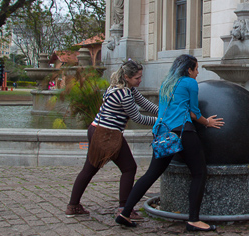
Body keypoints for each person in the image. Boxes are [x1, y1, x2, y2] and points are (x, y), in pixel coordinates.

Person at [115, 54, 224, 232]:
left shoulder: (167, 82)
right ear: (188, 69)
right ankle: (194, 220)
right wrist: (208, 122)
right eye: (196, 69)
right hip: (182, 132)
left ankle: (125, 212)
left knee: (151, 173)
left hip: (162, 132)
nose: (197, 73)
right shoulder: (190, 83)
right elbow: (194, 113)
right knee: (199, 172)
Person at [66, 60, 159, 220]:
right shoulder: (123, 94)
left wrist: (164, 112)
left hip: (98, 130)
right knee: (129, 168)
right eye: (137, 78)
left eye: (140, 77)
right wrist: (161, 121)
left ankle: (73, 206)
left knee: (90, 168)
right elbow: (137, 117)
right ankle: (124, 209)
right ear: (127, 77)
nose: (140, 80)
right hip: (107, 134)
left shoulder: (125, 88)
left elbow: (145, 103)